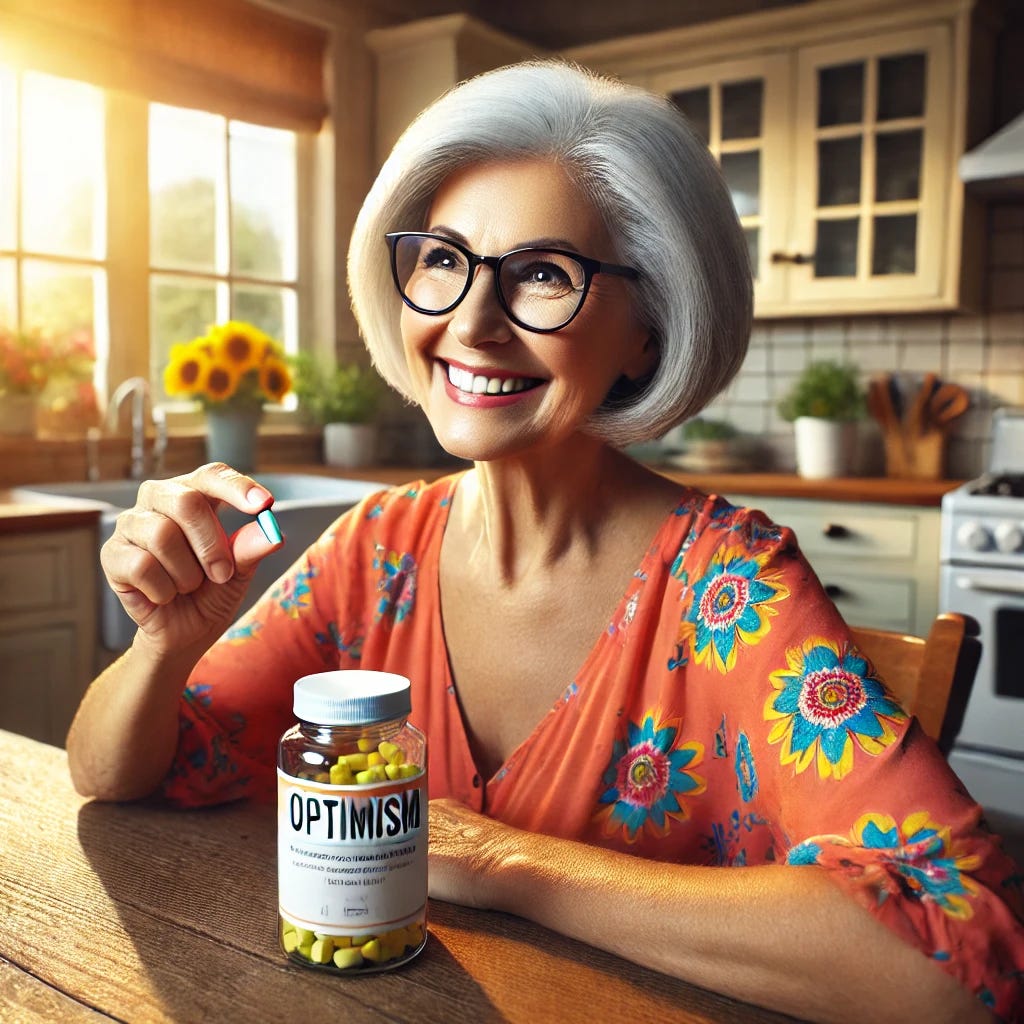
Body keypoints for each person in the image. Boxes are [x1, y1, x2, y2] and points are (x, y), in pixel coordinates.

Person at [67, 60, 1023, 1022]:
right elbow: (116, 773)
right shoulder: (379, 548)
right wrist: (164, 642)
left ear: (645, 332)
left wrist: (505, 860)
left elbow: (960, 959)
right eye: (442, 259)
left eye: (543, 275)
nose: (470, 323)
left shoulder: (726, 583)